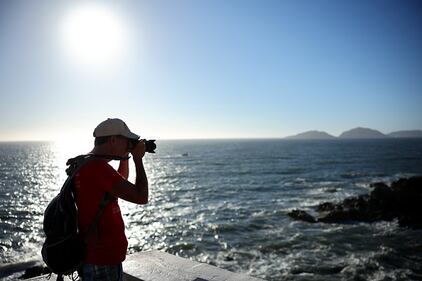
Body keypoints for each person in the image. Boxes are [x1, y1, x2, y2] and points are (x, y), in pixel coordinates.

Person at [74, 118, 149, 281]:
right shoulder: (98, 168)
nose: (129, 144)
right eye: (126, 141)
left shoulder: (88, 163)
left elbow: (118, 183)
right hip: (102, 262)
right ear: (113, 140)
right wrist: (137, 159)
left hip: (98, 258)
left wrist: (126, 155)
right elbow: (141, 196)